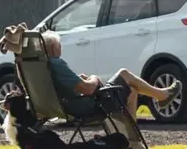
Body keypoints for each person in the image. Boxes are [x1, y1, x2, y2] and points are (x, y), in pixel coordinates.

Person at [42, 30, 179, 122]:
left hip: (70, 105)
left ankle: (133, 143)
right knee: (124, 74)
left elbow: (70, 86)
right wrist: (94, 79)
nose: (61, 48)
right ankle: (162, 95)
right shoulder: (56, 64)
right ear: (53, 48)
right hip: (87, 106)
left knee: (132, 91)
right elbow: (87, 89)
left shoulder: (45, 65)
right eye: (60, 45)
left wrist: (80, 79)